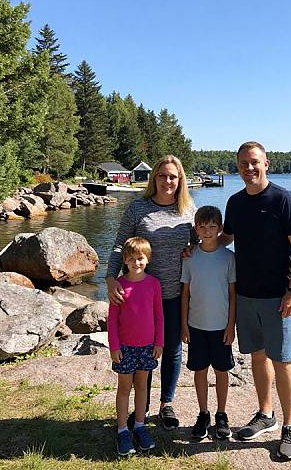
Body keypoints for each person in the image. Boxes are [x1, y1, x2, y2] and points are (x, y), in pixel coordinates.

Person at [221, 141, 291, 460]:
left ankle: (289, 426)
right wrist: (198, 246)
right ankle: (265, 414)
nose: (249, 167)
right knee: (257, 357)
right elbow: (226, 238)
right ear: (238, 167)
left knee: (284, 361)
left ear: (266, 163)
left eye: (254, 162)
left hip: (279, 298)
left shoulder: (284, 200)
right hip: (246, 296)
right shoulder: (235, 203)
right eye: (243, 163)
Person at [106, 155, 196, 430]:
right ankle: (140, 408)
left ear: (180, 180)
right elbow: (120, 245)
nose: (167, 181)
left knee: (171, 350)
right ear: (153, 178)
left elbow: (200, 243)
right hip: (139, 297)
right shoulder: (138, 209)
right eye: (162, 175)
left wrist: (193, 251)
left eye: (173, 176)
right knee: (137, 349)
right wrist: (110, 278)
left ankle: (166, 404)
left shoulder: (189, 210)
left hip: (175, 294)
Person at [181, 205, 236, 440]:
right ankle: (203, 413)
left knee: (222, 371)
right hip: (196, 326)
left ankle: (221, 414)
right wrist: (183, 325)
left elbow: (233, 295)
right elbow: (185, 294)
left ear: (221, 228)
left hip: (221, 327)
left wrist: (231, 326)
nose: (208, 231)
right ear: (196, 229)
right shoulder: (190, 257)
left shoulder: (229, 257)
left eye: (213, 227)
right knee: (200, 371)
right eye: (202, 227)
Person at [107, 237, 164, 455]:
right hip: (125, 348)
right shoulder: (119, 286)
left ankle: (140, 426)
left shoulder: (154, 284)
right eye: (131, 259)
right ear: (125, 260)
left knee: (142, 386)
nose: (136, 263)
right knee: (124, 388)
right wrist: (114, 346)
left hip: (148, 347)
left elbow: (159, 317)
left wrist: (159, 342)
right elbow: (112, 320)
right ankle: (122, 430)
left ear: (147, 259)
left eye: (140, 258)